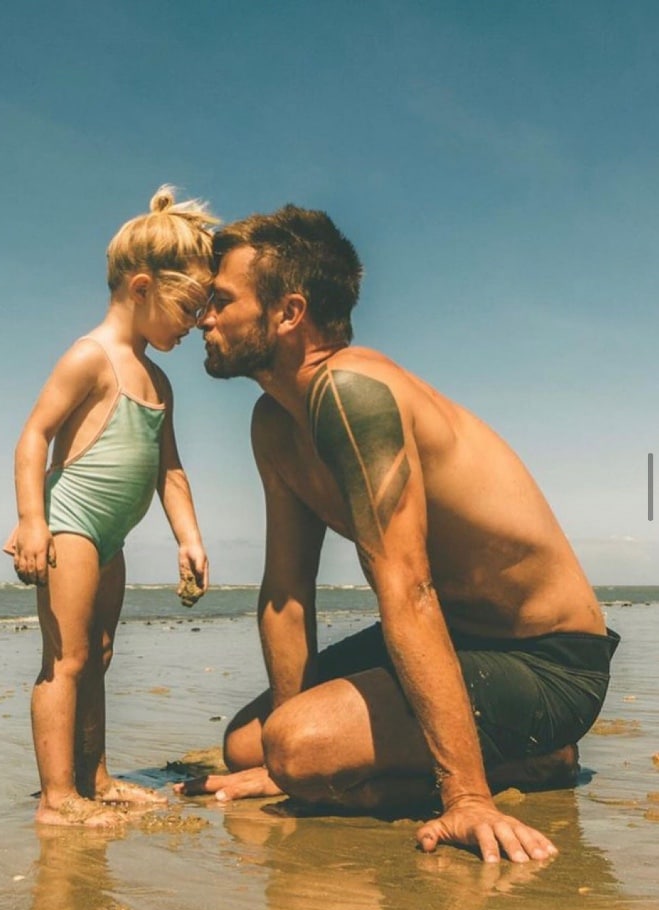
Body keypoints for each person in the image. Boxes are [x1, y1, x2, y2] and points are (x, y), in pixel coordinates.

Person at [176, 204, 619, 863]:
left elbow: (408, 588)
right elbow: (285, 590)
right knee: (253, 742)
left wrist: (464, 796)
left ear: (288, 312)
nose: (201, 318)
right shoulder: (274, 422)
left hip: (546, 662)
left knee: (298, 743)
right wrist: (288, 761)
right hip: (457, 642)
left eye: (220, 300)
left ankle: (531, 760)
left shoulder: (354, 395)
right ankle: (320, 755)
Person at [5, 185, 215, 827]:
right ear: (143, 286)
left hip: (112, 536)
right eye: (188, 307)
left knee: (98, 653)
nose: (195, 323)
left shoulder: (160, 381)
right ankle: (56, 797)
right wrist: (31, 520)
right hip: (70, 524)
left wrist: (190, 537)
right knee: (64, 658)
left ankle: (94, 777)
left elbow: (169, 470)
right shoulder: (90, 356)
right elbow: (33, 436)